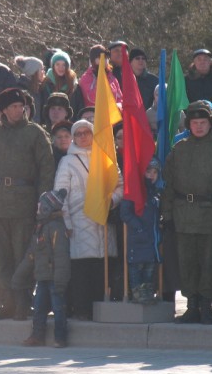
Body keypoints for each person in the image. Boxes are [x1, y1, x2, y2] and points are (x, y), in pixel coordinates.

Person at [0, 87, 54, 320]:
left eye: (21, 106)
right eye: (13, 107)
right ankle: (8, 302)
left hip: (24, 199)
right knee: (2, 255)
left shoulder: (34, 133)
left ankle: (23, 302)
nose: (18, 110)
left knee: (23, 254)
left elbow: (46, 168)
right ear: (3, 110)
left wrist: (43, 199)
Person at [162, 100, 212, 325]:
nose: (199, 126)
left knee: (209, 263)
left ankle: (206, 306)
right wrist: (168, 215)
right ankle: (191, 306)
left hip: (210, 215)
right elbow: (168, 186)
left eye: (203, 122)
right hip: (184, 214)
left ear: (211, 123)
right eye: (194, 122)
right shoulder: (179, 149)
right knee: (187, 262)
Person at [54, 119, 123, 320]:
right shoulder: (67, 161)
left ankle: (101, 310)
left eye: (87, 132)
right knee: (82, 269)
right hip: (78, 221)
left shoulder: (105, 157)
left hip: (102, 220)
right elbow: (60, 194)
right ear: (74, 138)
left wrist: (112, 201)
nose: (83, 136)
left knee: (102, 268)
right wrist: (66, 222)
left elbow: (120, 184)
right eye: (79, 134)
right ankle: (82, 310)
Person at [16, 189, 71, 348]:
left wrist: (61, 280)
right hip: (42, 277)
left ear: (47, 208)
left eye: (40, 206)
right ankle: (37, 335)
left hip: (54, 277)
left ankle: (60, 337)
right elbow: (32, 254)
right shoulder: (40, 227)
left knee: (58, 308)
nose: (37, 208)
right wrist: (19, 275)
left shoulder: (56, 228)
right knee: (39, 307)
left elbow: (61, 256)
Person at [120, 158, 162, 303]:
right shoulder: (134, 191)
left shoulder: (156, 193)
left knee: (149, 268)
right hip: (137, 239)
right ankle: (137, 291)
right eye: (148, 171)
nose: (151, 175)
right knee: (136, 267)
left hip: (151, 240)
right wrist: (138, 227)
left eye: (155, 172)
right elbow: (125, 213)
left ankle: (148, 291)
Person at [15, 55, 45, 121]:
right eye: (41, 69)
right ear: (34, 72)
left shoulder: (38, 88)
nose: (43, 72)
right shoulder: (21, 90)